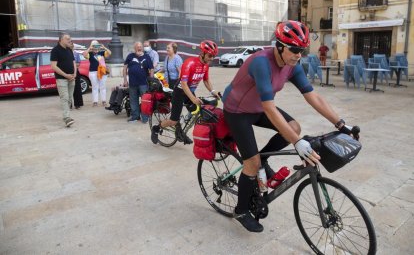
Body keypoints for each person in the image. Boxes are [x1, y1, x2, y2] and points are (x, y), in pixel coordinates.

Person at [222, 20, 357, 233]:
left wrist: (341, 124)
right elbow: (269, 107)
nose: (298, 55)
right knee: (252, 162)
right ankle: (241, 210)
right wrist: (297, 143)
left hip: (257, 107)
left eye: (302, 50)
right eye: (294, 49)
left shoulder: (292, 65)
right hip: (237, 111)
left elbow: (313, 96)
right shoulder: (261, 62)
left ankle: (262, 160)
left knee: (294, 126)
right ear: (279, 46)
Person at [151, 40, 220, 145]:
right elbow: (183, 84)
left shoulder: (205, 65)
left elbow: (206, 80)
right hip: (179, 92)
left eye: (213, 56)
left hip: (190, 92)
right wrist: (193, 99)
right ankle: (156, 128)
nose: (211, 59)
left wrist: (213, 91)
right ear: (202, 53)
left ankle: (181, 131)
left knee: (197, 111)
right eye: (210, 56)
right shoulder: (190, 63)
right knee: (174, 120)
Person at [123, 41, 154, 123]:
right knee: (133, 100)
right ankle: (135, 116)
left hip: (143, 83)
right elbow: (125, 68)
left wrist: (151, 80)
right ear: (135, 48)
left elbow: (151, 69)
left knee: (145, 101)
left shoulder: (147, 57)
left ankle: (145, 118)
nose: (139, 47)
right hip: (132, 83)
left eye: (140, 46)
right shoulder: (130, 56)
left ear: (142, 48)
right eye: (137, 46)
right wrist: (125, 80)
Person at [50, 33, 76, 127]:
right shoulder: (55, 50)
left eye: (70, 38)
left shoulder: (69, 49)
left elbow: (73, 62)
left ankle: (67, 115)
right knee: (64, 98)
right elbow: (53, 66)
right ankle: (67, 118)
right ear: (61, 40)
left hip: (72, 78)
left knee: (69, 98)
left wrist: (75, 74)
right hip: (61, 79)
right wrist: (66, 75)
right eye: (67, 39)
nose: (70, 40)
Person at [83, 40, 111, 106]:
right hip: (93, 72)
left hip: (102, 72)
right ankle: (95, 101)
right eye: (94, 45)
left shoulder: (102, 53)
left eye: (96, 45)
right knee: (95, 87)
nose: (95, 47)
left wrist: (104, 47)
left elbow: (109, 53)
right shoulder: (90, 54)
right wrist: (90, 48)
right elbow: (84, 55)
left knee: (102, 86)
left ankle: (103, 100)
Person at [71, 42, 83, 109]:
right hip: (68, 72)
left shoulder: (76, 53)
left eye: (72, 45)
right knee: (69, 89)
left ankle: (77, 104)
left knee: (77, 88)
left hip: (76, 72)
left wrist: (73, 65)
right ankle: (69, 104)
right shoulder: (66, 53)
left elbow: (78, 63)